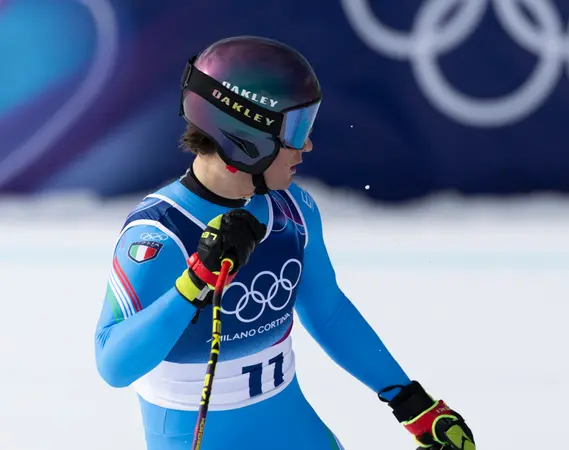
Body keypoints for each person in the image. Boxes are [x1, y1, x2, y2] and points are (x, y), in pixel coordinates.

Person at [93, 35, 475, 450]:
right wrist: (193, 283)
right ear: (244, 137)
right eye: (296, 129)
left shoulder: (292, 211)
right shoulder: (159, 235)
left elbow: (327, 312)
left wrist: (409, 401)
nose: (307, 145)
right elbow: (113, 364)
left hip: (290, 425)